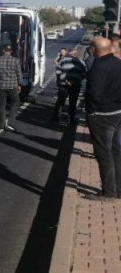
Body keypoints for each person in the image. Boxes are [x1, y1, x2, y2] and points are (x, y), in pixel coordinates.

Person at [83, 37, 121, 201]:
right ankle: (118, 189)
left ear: (95, 49)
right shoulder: (118, 63)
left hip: (102, 115)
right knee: (115, 151)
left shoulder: (98, 67)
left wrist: (90, 111)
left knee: (103, 152)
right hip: (118, 112)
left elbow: (94, 93)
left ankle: (108, 192)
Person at [0, 44, 22, 131]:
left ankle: (1, 125)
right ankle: (10, 123)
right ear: (11, 51)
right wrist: (20, 84)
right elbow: (19, 74)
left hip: (1, 86)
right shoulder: (16, 60)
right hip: (13, 86)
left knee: (1, 106)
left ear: (3, 50)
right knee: (15, 103)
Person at [52, 49, 87, 125]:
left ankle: (56, 117)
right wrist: (76, 80)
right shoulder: (81, 62)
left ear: (69, 53)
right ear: (76, 54)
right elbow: (84, 74)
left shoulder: (62, 61)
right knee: (73, 102)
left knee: (60, 101)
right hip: (76, 85)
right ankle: (71, 119)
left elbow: (58, 72)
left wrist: (66, 80)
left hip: (64, 85)